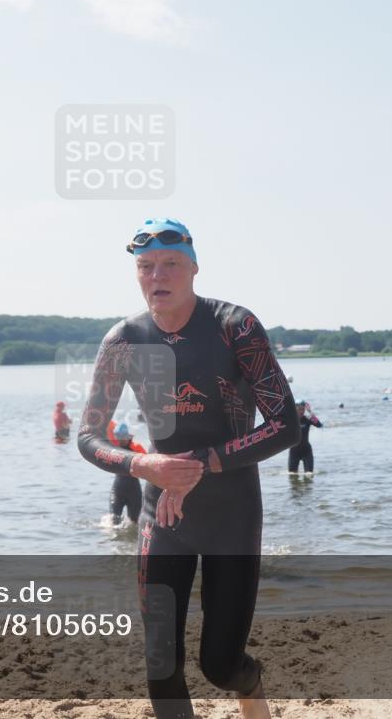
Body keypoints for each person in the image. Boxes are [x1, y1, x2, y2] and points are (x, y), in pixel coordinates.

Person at [78, 218, 300, 719]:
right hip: (164, 517)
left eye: (171, 264)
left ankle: (251, 686)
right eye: (146, 266)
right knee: (160, 663)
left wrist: (200, 463)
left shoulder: (234, 326)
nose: (158, 274)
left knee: (220, 665)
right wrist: (144, 463)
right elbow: (87, 437)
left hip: (232, 513)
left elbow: (286, 425)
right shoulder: (124, 340)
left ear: (194, 268)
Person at [107, 422, 146, 524]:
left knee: (135, 522)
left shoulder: (137, 448)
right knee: (114, 520)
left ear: (127, 436)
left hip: (134, 491)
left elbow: (148, 463)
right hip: (117, 490)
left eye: (121, 437)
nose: (119, 440)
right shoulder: (113, 447)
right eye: (117, 437)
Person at [288, 401, 322, 473]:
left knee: (309, 474)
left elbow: (319, 425)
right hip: (294, 451)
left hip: (306, 451)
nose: (301, 411)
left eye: (303, 409)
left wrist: (310, 412)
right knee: (292, 474)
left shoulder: (307, 419)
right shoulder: (290, 420)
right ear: (295, 409)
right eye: (299, 409)